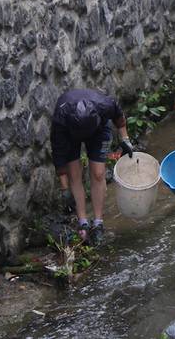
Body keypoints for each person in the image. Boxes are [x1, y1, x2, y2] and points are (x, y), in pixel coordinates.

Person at [50, 89, 133, 245]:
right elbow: (58, 154)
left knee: (98, 173)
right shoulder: (61, 119)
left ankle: (98, 223)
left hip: (99, 131)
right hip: (70, 134)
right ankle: (83, 222)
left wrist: (125, 139)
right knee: (74, 173)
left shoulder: (103, 104)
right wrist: (64, 189)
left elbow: (118, 116)